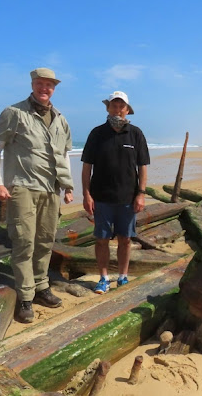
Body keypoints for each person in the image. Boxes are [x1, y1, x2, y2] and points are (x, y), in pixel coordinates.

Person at [0, 67, 74, 323]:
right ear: (33, 84)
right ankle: (25, 297)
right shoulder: (14, 113)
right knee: (24, 241)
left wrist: (68, 186)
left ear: (54, 88)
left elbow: (64, 154)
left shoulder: (60, 119)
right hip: (23, 187)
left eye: (49, 85)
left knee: (46, 240)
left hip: (51, 189)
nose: (44, 89)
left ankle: (41, 287)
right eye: (40, 84)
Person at [81, 91, 150, 294]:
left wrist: (141, 194)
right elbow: (87, 167)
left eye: (121, 106)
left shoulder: (136, 133)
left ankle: (122, 277)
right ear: (107, 108)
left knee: (125, 239)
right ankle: (103, 278)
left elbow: (143, 166)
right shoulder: (97, 133)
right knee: (101, 240)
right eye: (114, 105)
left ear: (127, 110)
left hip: (128, 198)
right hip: (101, 198)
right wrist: (86, 194)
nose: (117, 110)